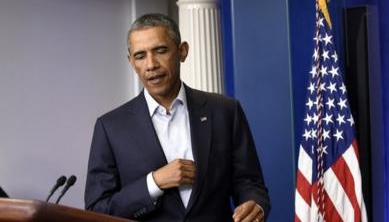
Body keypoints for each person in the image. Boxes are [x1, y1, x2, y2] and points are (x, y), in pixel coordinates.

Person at [85, 13, 270, 222]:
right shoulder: (110, 127)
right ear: (131, 62)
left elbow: (250, 183)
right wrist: (154, 183)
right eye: (140, 56)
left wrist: (256, 205)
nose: (151, 64)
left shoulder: (225, 110)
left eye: (160, 51)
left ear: (182, 51)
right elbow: (96, 210)